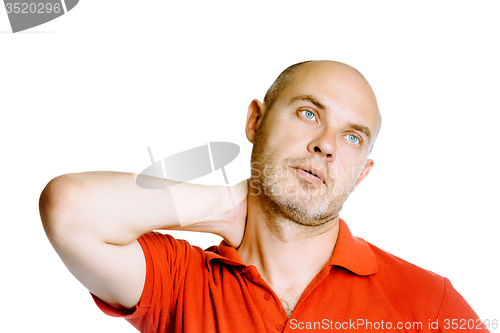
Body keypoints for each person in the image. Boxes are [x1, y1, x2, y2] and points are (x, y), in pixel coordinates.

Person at [39, 60, 487, 332]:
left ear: (362, 173)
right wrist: (227, 206)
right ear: (256, 121)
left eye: (352, 138)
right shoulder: (181, 283)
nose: (326, 144)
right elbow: (69, 207)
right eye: (309, 113)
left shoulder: (429, 303)